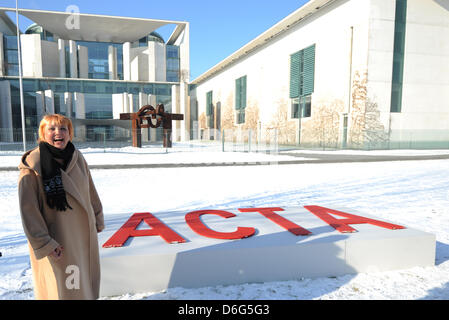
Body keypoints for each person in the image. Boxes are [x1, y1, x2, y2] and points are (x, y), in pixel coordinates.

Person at [18, 114, 105, 300]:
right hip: (57, 238)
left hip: (82, 234)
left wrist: (97, 216)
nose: (58, 133)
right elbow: (29, 211)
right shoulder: (33, 164)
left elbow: (89, 189)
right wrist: (44, 243)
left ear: (70, 133)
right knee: (63, 289)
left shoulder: (76, 156)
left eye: (63, 128)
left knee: (83, 285)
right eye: (51, 129)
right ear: (43, 133)